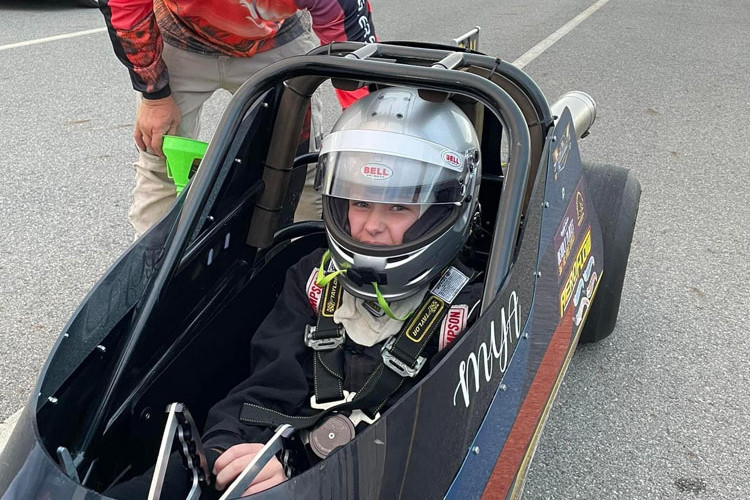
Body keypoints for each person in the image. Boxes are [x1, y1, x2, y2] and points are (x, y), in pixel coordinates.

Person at [106, 86, 484, 498]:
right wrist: (230, 451)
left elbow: (438, 445)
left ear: (446, 210)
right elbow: (266, 388)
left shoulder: (465, 311)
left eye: (398, 208)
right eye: (359, 203)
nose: (372, 226)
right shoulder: (313, 281)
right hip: (293, 462)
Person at [98, 0, 377, 237]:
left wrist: (367, 130)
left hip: (275, 41)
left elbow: (350, 49)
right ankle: (147, 274)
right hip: (179, 36)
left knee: (298, 164)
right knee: (161, 158)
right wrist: (154, 94)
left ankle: (300, 259)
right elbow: (124, 9)